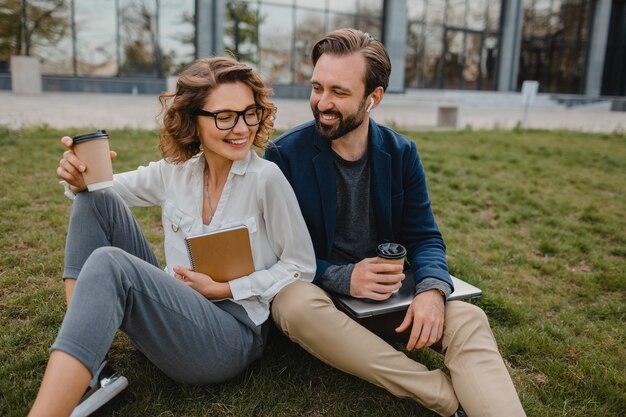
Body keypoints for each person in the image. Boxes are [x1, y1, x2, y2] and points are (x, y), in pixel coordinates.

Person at [29, 57, 316, 417]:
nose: (241, 128)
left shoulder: (266, 179)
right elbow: (99, 188)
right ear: (193, 121)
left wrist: (226, 289)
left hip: (231, 334)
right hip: (175, 310)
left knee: (109, 263)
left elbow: (300, 266)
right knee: (95, 198)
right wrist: (77, 175)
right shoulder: (176, 172)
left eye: (250, 113)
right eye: (224, 116)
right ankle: (94, 366)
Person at [265, 28, 526, 417]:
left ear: (374, 98)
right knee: (291, 304)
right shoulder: (284, 155)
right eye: (317, 87)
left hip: (390, 301)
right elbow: (271, 253)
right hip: (324, 304)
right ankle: (438, 393)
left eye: (339, 91)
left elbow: (425, 237)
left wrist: (432, 292)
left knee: (469, 318)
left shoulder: (402, 153)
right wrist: (342, 277)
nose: (322, 102)